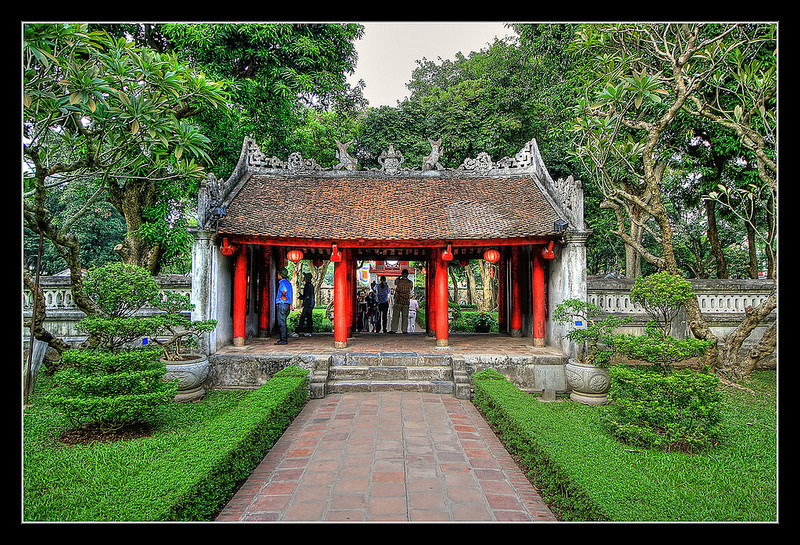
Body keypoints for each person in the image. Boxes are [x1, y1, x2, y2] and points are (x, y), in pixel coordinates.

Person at [390, 269, 413, 334]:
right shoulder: (410, 282)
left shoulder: (398, 281)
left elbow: (395, 282)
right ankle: (404, 330)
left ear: (402, 274)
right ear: (407, 274)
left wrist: (399, 276)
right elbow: (411, 288)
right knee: (405, 317)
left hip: (398, 300)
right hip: (406, 301)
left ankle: (394, 329)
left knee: (395, 316)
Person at [292, 272, 314, 337]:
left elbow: (307, 296)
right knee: (308, 318)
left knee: (303, 318)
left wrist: (302, 297)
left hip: (308, 304)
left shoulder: (308, 286)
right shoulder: (310, 285)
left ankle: (298, 331)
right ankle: (309, 331)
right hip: (310, 304)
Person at [275, 267, 293, 345]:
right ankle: (284, 338)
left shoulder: (282, 282)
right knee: (283, 322)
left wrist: (283, 296)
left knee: (281, 322)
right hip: (287, 305)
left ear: (281, 275)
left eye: (278, 274)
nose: (277, 275)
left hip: (282, 304)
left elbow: (284, 290)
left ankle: (283, 339)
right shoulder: (289, 283)